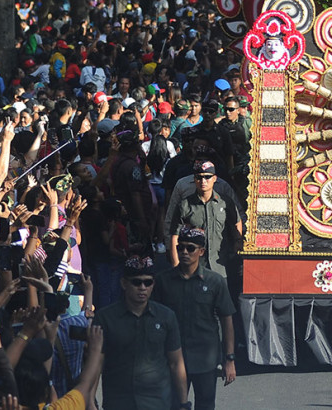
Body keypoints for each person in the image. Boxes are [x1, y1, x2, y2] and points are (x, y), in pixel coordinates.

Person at [154, 227, 236, 410]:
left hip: (204, 359)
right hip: (171, 358)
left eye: (190, 248)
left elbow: (227, 320)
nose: (184, 252)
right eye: (180, 247)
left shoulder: (215, 281)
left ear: (201, 252)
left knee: (205, 405)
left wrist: (229, 359)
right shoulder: (162, 281)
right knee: (173, 405)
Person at [95, 256, 190, 410]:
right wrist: (90, 400)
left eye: (148, 282)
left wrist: (184, 403)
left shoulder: (166, 316)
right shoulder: (105, 318)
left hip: (157, 402)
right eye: (136, 282)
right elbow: (96, 364)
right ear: (124, 283)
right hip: (119, 401)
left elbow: (176, 362)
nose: (143, 287)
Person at [168, 160, 241, 277]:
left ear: (215, 178)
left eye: (207, 177)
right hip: (193, 269)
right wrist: (177, 266)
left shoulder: (225, 202)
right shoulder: (184, 205)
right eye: (199, 177)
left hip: (221, 267)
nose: (203, 181)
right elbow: (174, 237)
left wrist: (237, 244)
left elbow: (236, 222)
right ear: (194, 179)